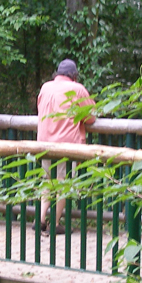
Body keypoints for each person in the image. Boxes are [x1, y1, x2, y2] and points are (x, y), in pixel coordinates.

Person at [37, 58, 95, 232]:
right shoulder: (77, 89)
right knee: (63, 182)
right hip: (65, 144)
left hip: (44, 142)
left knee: (47, 181)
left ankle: (40, 219)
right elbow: (91, 117)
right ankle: (54, 224)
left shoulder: (45, 87)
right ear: (74, 75)